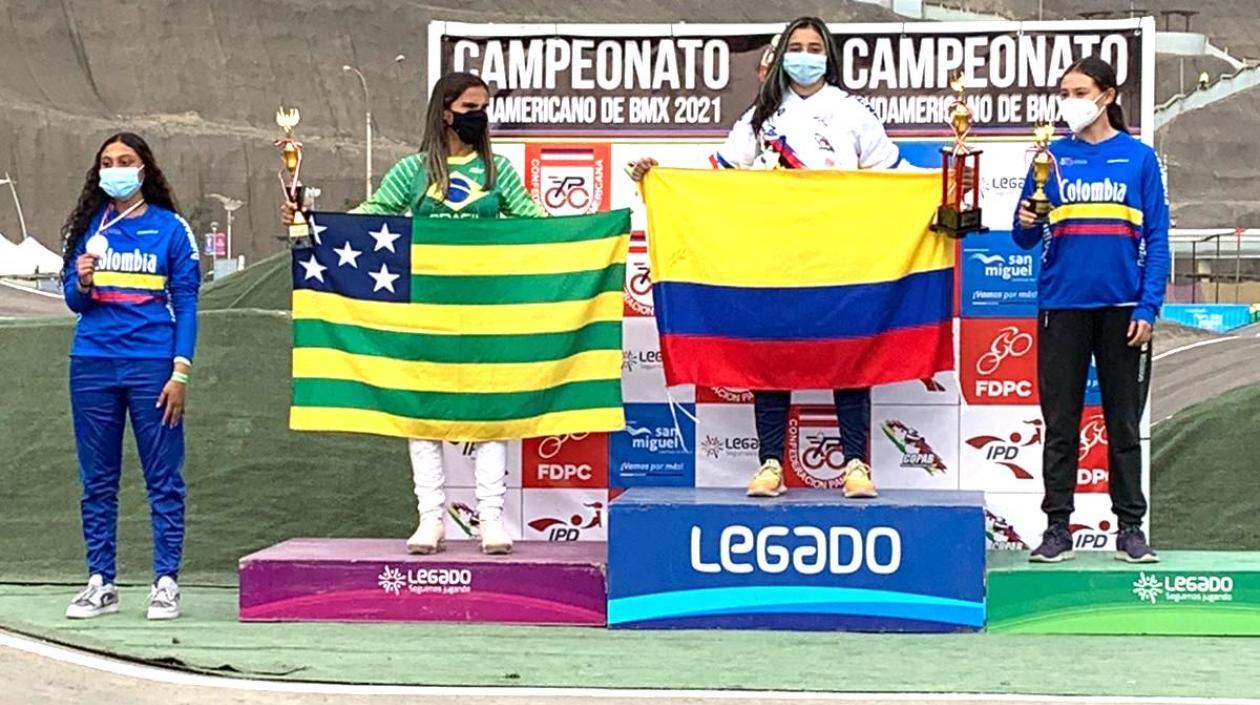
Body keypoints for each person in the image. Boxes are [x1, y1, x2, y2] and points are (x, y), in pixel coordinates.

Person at [630, 17, 908, 500]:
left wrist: (942, 192)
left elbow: (893, 178)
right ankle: (771, 463)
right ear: (781, 57)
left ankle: (857, 464)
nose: (805, 55)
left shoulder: (854, 112)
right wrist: (661, 179)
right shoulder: (760, 116)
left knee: (850, 355)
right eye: (796, 47)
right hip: (773, 259)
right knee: (770, 356)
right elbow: (718, 178)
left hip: (840, 256)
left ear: (830, 55)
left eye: (814, 46)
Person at [282, 72, 544, 555]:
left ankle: (490, 518)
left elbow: (534, 224)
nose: (478, 116)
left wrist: (592, 231)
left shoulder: (498, 172)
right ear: (445, 111)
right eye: (470, 107)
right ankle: (431, 519)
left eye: (483, 107)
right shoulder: (412, 171)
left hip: (485, 308)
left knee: (491, 412)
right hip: (423, 309)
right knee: (420, 413)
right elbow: (374, 211)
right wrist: (308, 223)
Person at [1013, 56, 1169, 564]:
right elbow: (1023, 237)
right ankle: (1058, 528)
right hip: (1062, 307)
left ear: (1107, 96)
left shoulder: (1139, 159)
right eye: (1064, 92)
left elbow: (1158, 238)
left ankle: (1130, 528)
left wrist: (1148, 306)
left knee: (1123, 424)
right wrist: (1026, 217)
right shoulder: (1051, 158)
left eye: (1079, 92)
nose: (1069, 102)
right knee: (1061, 424)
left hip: (1124, 309)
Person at [60, 132, 200, 619]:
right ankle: (101, 581)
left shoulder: (171, 229)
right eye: (106, 162)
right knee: (97, 480)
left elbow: (186, 302)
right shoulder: (87, 227)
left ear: (144, 169)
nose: (115, 168)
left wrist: (180, 372)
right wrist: (80, 280)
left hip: (152, 365)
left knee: (163, 479)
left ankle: (165, 582)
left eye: (125, 160)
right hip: (92, 363)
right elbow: (75, 303)